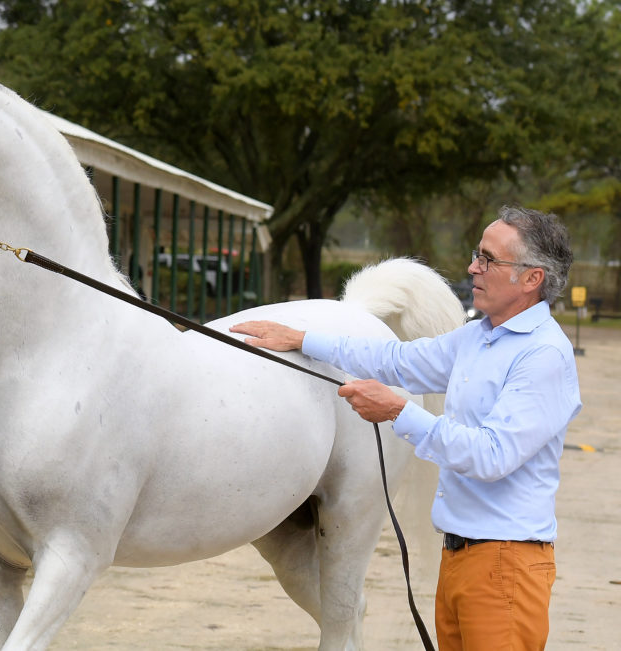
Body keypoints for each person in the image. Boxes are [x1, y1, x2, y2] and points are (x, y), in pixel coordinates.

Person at [230, 205, 581, 651]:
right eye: (477, 254)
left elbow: (492, 456)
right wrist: (304, 339)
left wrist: (399, 413)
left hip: (504, 564)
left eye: (490, 259)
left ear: (532, 279)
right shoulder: (480, 336)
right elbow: (399, 361)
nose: (473, 266)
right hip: (460, 557)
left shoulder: (543, 356)